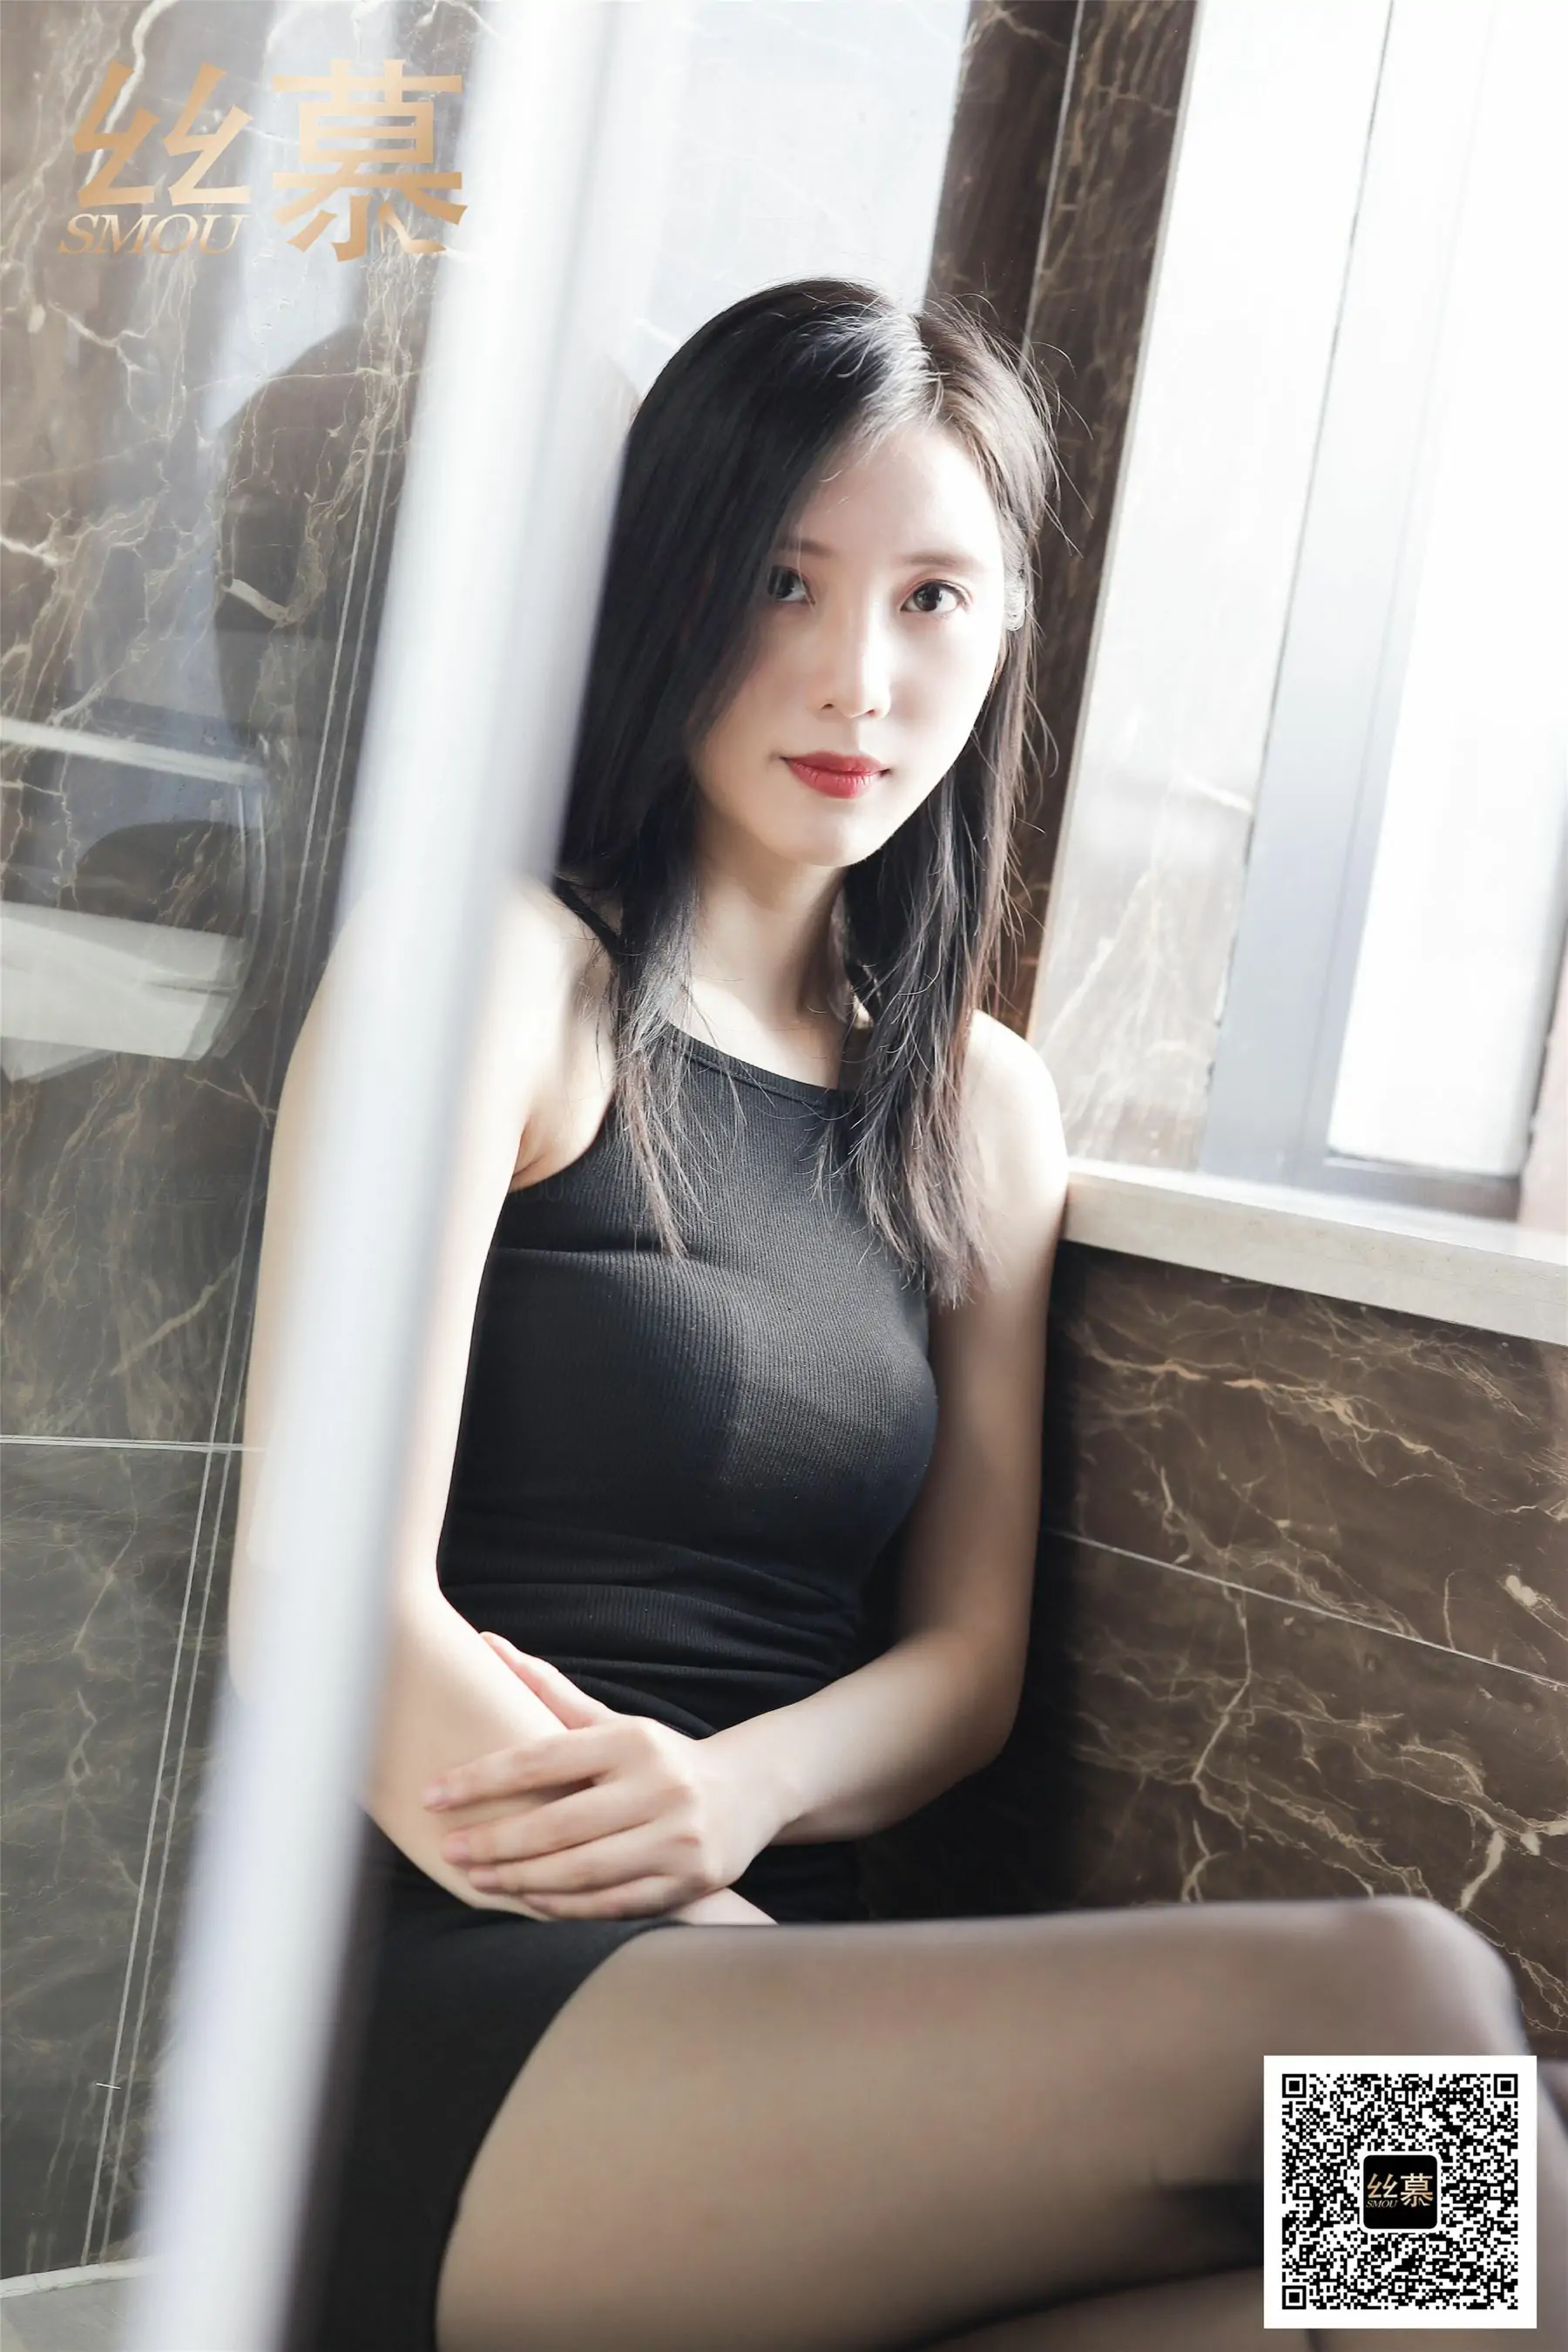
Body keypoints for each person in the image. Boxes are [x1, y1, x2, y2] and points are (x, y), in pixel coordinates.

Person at [231, 280, 1567, 2352]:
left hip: (801, 2014)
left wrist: (745, 1799)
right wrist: (718, 1927)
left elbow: (963, 1666)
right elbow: (333, 1614)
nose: (860, 674)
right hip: (478, 2025)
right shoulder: (497, 977)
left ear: (1005, 634)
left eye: (934, 598)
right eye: (787, 581)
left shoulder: (980, 1109)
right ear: (677, 587)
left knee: (1435, 2285)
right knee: (1405, 2008)